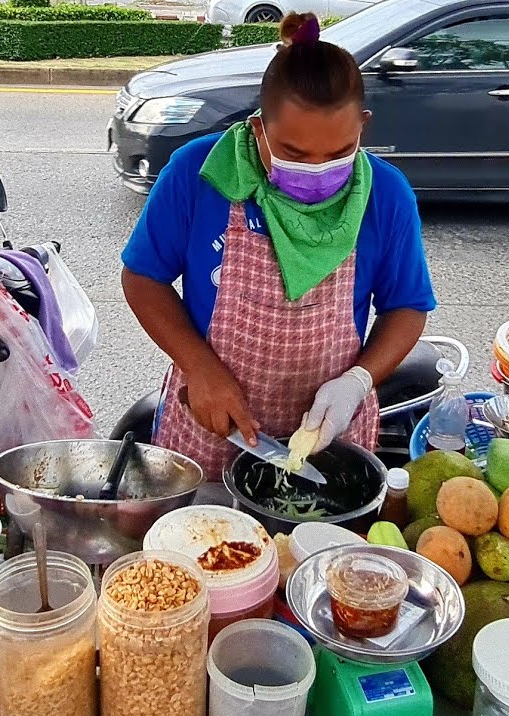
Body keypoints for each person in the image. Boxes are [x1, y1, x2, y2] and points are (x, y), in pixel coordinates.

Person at [121, 12, 436, 480]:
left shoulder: (386, 195)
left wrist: (357, 381)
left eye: (338, 153)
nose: (318, 170)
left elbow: (407, 307)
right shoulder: (197, 175)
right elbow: (143, 277)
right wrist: (199, 366)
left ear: (362, 127)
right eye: (293, 152)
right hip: (210, 423)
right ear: (257, 129)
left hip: (330, 433)